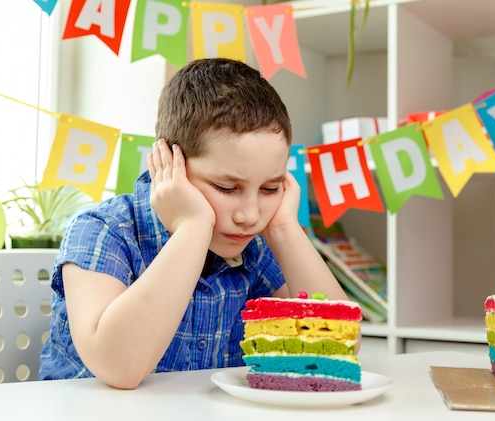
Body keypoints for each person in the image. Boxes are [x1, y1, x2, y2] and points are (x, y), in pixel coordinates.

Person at [39, 58, 349, 389]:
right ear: (169, 164)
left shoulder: (254, 246)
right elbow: (119, 368)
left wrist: (285, 229)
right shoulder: (104, 230)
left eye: (270, 188)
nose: (250, 215)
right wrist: (193, 227)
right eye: (226, 188)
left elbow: (333, 353)